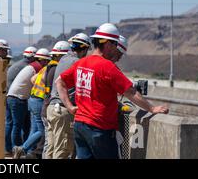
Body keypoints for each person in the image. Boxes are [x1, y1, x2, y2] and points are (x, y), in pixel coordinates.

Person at [56, 23, 169, 159]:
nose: (116, 49)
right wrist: (152, 108)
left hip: (80, 125)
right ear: (108, 44)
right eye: (115, 44)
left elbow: (60, 82)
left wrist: (69, 106)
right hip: (99, 128)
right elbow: (131, 92)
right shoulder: (107, 67)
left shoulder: (81, 63)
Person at [45, 34, 91, 159]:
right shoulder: (78, 62)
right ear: (85, 48)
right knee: (63, 150)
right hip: (62, 111)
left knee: (52, 147)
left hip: (51, 108)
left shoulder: (64, 58)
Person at [6, 49, 49, 157]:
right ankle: (18, 148)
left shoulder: (32, 66)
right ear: (43, 60)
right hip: (19, 98)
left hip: (18, 97)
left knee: (30, 127)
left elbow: (33, 80)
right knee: (23, 126)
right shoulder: (38, 67)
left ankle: (24, 150)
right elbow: (35, 80)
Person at [5, 46, 37, 156]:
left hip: (10, 96)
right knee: (17, 125)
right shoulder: (27, 66)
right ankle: (16, 148)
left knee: (10, 124)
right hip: (18, 98)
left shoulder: (16, 65)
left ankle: (8, 148)